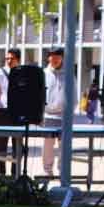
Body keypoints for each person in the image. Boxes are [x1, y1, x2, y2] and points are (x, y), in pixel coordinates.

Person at [0, 48, 20, 177]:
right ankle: (1, 173)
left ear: (18, 59)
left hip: (17, 111)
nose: (9, 61)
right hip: (2, 111)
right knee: (0, 144)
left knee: (17, 144)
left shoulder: (22, 73)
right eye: (7, 58)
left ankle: (15, 173)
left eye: (11, 58)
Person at [41, 48, 66, 177]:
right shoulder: (43, 74)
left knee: (63, 146)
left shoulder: (68, 75)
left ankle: (63, 170)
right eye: (52, 56)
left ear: (62, 58)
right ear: (48, 58)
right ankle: (47, 171)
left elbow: (73, 96)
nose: (55, 59)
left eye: (58, 57)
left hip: (63, 116)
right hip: (48, 115)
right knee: (47, 146)